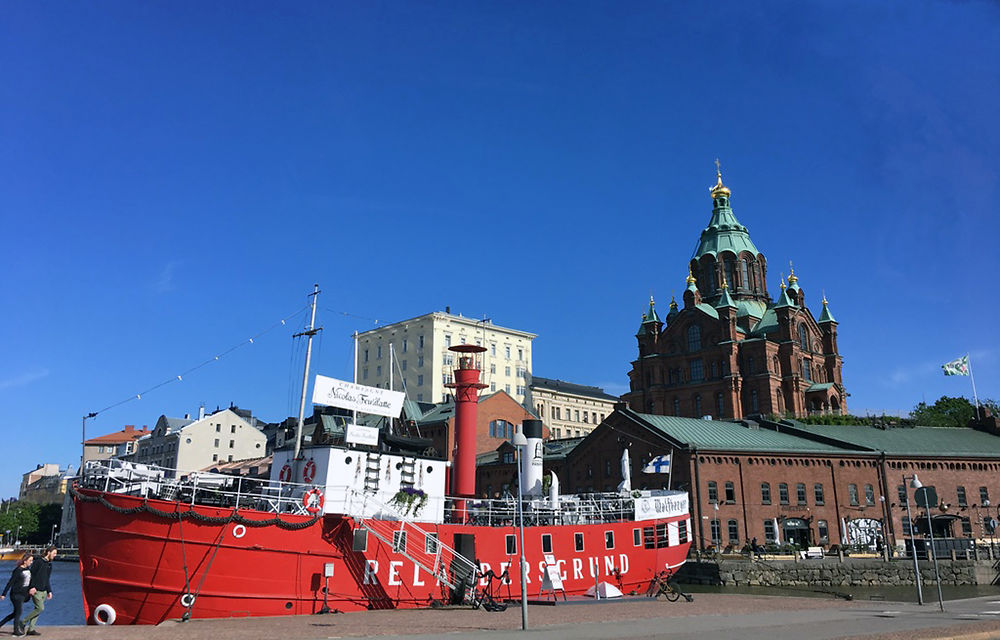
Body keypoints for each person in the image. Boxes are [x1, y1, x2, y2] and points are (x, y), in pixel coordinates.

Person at [23, 546, 56, 636]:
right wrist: (32, 587)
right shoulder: (38, 562)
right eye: (54, 553)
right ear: (48, 552)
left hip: (44, 591)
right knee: (40, 608)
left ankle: (31, 629)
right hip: (36, 590)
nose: (55, 555)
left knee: (38, 610)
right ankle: (22, 622)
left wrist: (49, 591)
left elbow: (47, 579)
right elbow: (31, 575)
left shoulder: (49, 564)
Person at [1, 552, 33, 637]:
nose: (31, 562)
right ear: (25, 561)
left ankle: (0, 624)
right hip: (16, 594)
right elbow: (10, 582)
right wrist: (4, 594)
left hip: (23, 594)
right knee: (19, 612)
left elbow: (29, 583)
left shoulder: (28, 570)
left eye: (32, 560)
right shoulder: (18, 570)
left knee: (15, 613)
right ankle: (16, 631)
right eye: (30, 560)